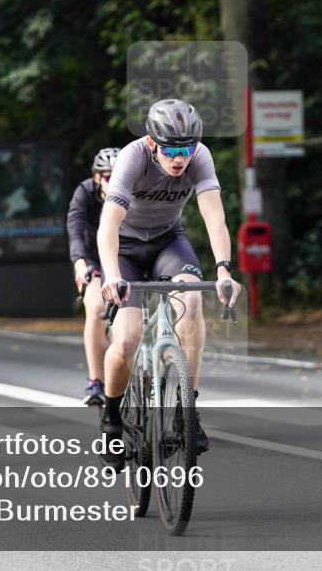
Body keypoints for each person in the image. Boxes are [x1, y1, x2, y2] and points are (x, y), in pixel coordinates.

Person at [97, 99, 242, 466]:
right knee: (127, 339)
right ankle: (112, 419)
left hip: (167, 242)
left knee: (192, 304)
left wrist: (224, 270)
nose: (180, 159)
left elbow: (214, 218)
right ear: (151, 143)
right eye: (172, 150)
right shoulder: (133, 157)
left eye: (187, 150)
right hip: (127, 250)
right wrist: (112, 274)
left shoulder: (200, 157)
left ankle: (187, 410)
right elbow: (108, 226)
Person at [66, 147, 120, 405]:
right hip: (94, 259)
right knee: (97, 306)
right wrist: (79, 263)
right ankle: (96, 381)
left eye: (118, 176)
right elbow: (75, 231)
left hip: (126, 257)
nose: (114, 182)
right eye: (108, 176)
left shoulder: (133, 191)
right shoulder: (85, 192)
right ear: (97, 177)